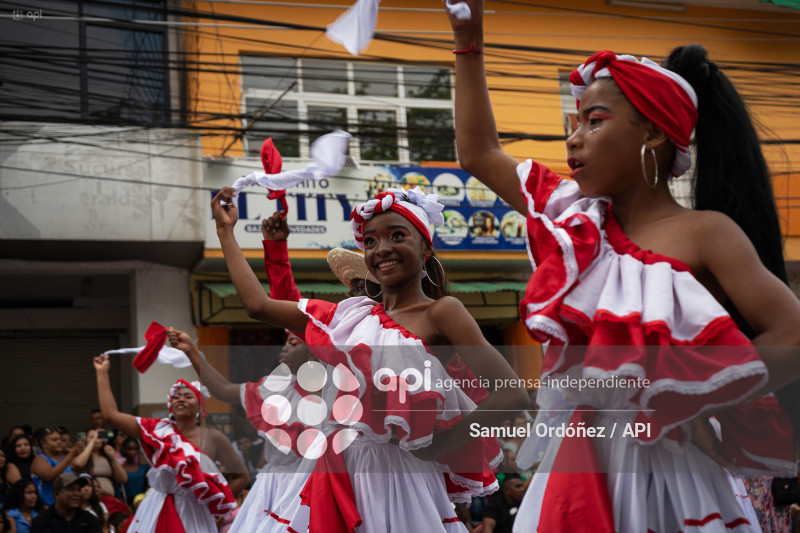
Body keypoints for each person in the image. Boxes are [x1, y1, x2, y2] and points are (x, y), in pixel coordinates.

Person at [446, 2, 800, 531]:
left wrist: (702, 398)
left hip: (675, 465)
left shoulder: (706, 232)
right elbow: (478, 153)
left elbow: (792, 331)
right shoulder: (572, 220)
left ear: (653, 135)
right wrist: (468, 40)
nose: (573, 138)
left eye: (594, 121)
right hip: (579, 457)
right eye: (575, 123)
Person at [211, 183, 528, 532]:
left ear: (425, 249)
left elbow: (512, 393)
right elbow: (258, 306)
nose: (382, 249)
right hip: (332, 469)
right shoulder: (350, 317)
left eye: (397, 235)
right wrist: (226, 230)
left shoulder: (442, 312)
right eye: (371, 241)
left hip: (399, 478)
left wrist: (439, 446)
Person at [166, 324, 324, 533]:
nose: (284, 348)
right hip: (271, 487)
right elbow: (222, 390)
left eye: (293, 343)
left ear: (313, 356)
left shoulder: (335, 396)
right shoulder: (277, 389)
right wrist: (192, 351)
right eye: (285, 343)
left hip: (311, 486)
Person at [93, 354, 248, 533]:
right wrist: (102, 373)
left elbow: (241, 477)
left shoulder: (214, 437)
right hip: (157, 507)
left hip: (195, 512)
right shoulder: (157, 431)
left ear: (200, 407)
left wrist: (214, 501)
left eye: (188, 396)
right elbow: (111, 415)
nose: (181, 399)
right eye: (176, 396)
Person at [30, 472, 101, 533]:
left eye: (79, 490)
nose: (77, 494)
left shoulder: (89, 519)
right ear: (57, 494)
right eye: (71, 489)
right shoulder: (42, 521)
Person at [31, 428, 81, 508]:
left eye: (60, 439)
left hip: (66, 506)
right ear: (44, 444)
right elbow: (49, 476)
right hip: (47, 507)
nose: (59, 442)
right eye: (54, 440)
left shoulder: (63, 460)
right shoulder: (40, 459)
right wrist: (71, 455)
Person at [72, 429, 127, 499]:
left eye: (99, 437)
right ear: (85, 439)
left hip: (108, 498)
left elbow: (123, 479)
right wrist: (92, 443)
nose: (96, 439)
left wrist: (113, 457)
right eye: (92, 437)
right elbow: (78, 464)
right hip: (88, 498)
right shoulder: (81, 454)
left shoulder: (107, 456)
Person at [119, 439, 148, 507]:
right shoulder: (120, 469)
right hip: (126, 504)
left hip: (142, 503)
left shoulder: (144, 468)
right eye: (130, 449)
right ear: (124, 450)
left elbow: (147, 487)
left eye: (135, 449)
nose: (133, 452)